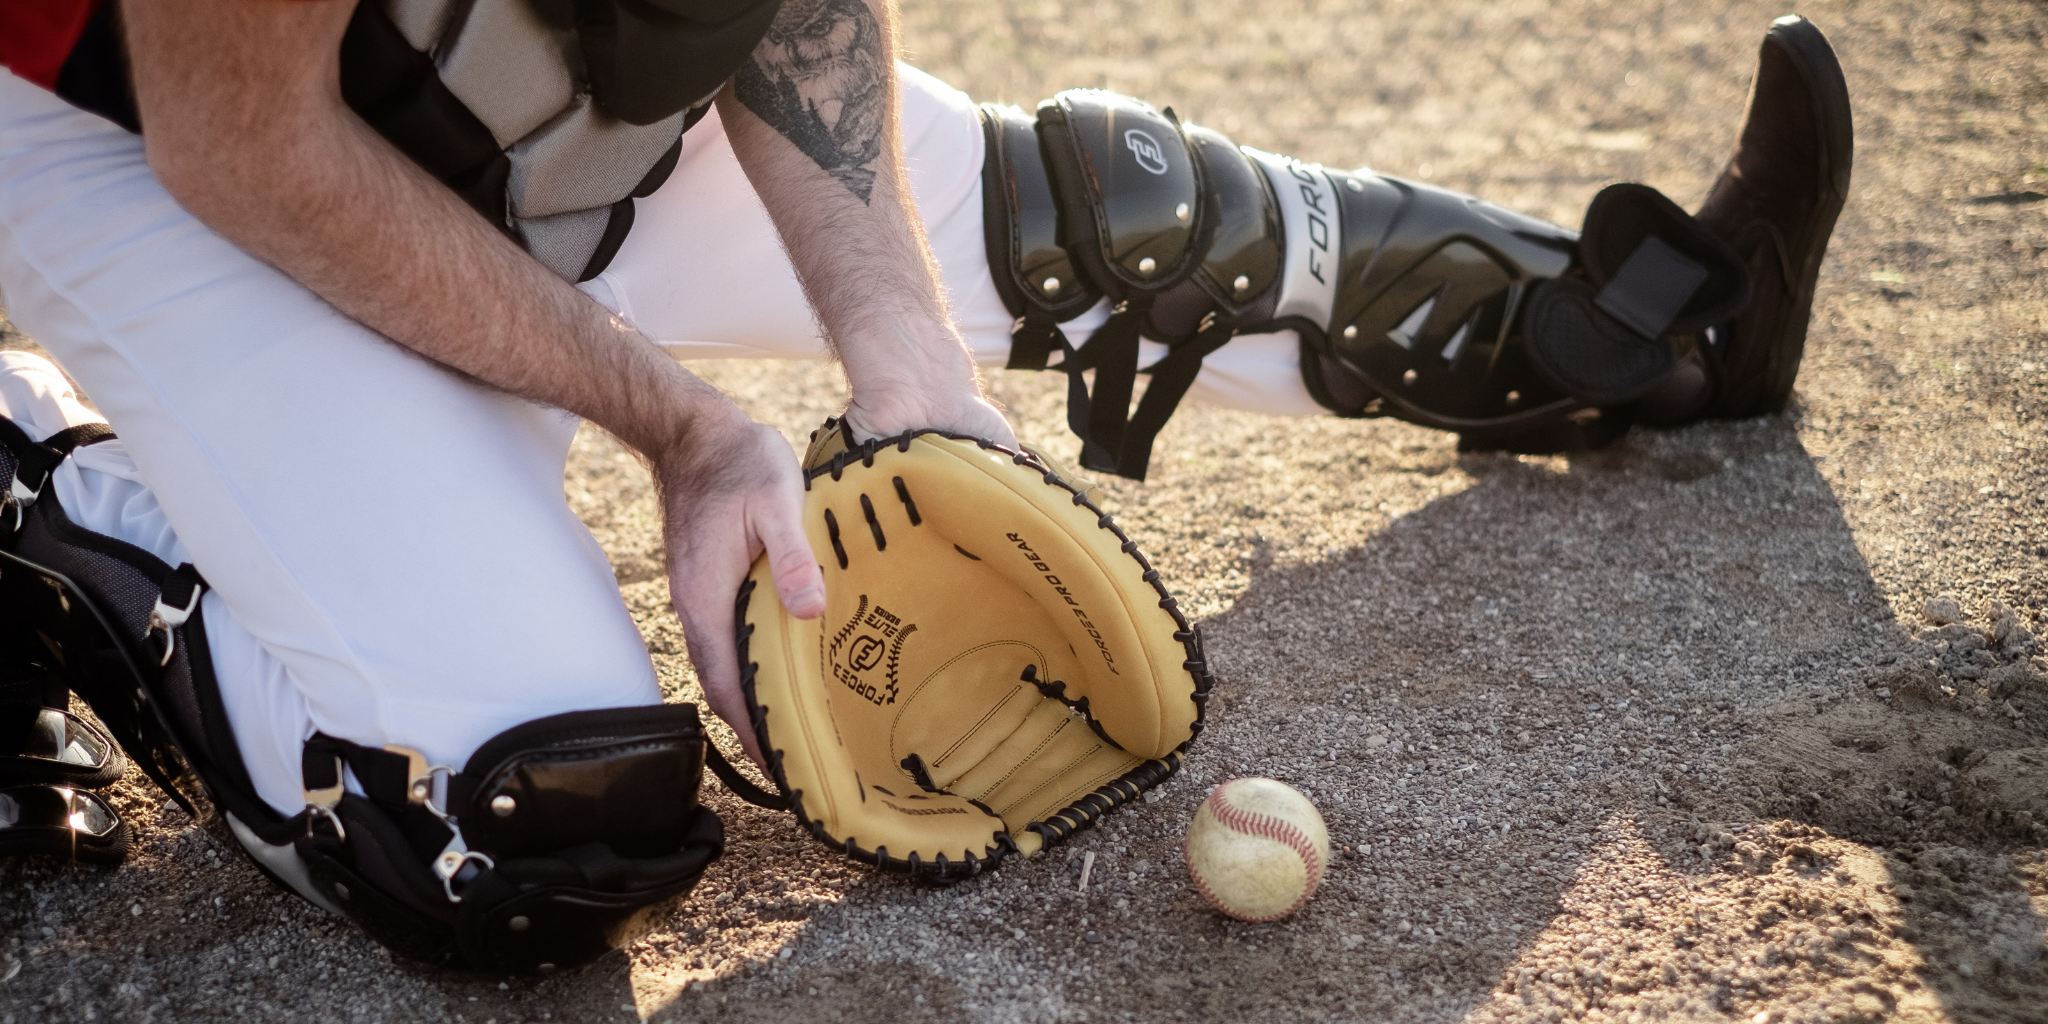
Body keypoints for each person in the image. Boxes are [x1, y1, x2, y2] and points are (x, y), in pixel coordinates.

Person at [0, 0, 1850, 970]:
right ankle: (40, 475)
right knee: (523, 819)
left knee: (1091, 225)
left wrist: (909, 360)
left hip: (481, 79)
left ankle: (1650, 328)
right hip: (149, 146)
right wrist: (684, 425)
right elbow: (248, 140)